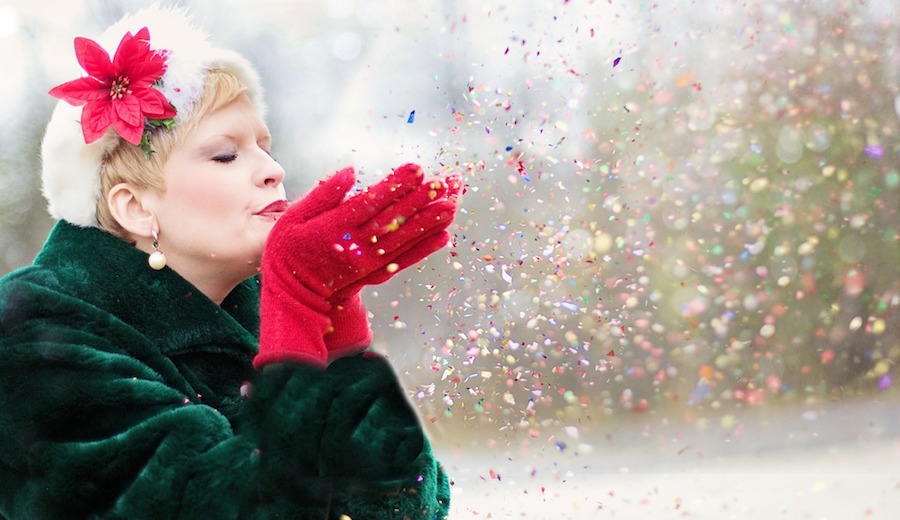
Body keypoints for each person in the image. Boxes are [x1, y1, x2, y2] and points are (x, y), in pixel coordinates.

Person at [0, 5, 458, 519]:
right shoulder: (32, 334)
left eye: (265, 147)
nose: (274, 170)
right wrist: (300, 306)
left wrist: (335, 327)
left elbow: (408, 507)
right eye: (225, 154)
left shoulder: (264, 319)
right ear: (135, 206)